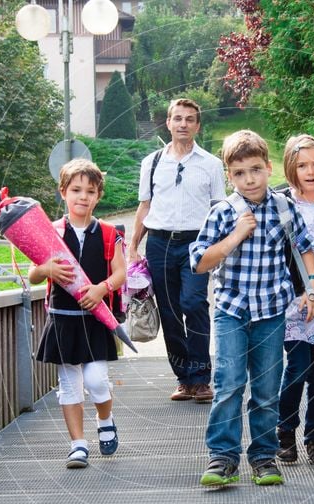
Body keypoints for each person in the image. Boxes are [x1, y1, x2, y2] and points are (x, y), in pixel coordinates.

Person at [190, 129, 314, 487]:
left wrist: (312, 288)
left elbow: (305, 246)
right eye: (239, 173)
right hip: (232, 309)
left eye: (256, 170)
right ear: (228, 174)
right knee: (229, 384)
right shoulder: (223, 212)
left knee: (265, 388)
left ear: (268, 167)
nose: (249, 179)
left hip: (271, 311)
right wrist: (234, 236)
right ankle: (223, 457)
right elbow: (200, 262)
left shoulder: (284, 207)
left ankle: (264, 457)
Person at [29, 159, 126, 469]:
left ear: (98, 195)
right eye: (76, 190)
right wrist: (46, 269)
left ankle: (105, 418)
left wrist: (102, 288)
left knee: (97, 381)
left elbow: (121, 273)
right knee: (69, 384)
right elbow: (32, 275)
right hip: (62, 318)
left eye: (90, 191)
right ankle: (78, 444)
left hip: (95, 318)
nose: (83, 197)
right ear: (63, 193)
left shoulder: (110, 233)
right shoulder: (50, 232)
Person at [127, 98, 226, 404]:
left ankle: (201, 377)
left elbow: (218, 208)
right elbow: (145, 205)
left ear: (197, 125)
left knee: (194, 302)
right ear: (168, 123)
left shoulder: (210, 164)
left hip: (197, 243)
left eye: (190, 119)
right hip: (158, 244)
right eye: (178, 118)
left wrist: (220, 248)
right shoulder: (152, 162)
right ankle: (184, 379)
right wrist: (133, 245)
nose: (183, 124)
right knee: (169, 311)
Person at [275, 135, 314, 466]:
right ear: (291, 168)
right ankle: (284, 432)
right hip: (294, 301)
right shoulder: (282, 206)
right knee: (296, 368)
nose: (310, 171)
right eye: (302, 165)